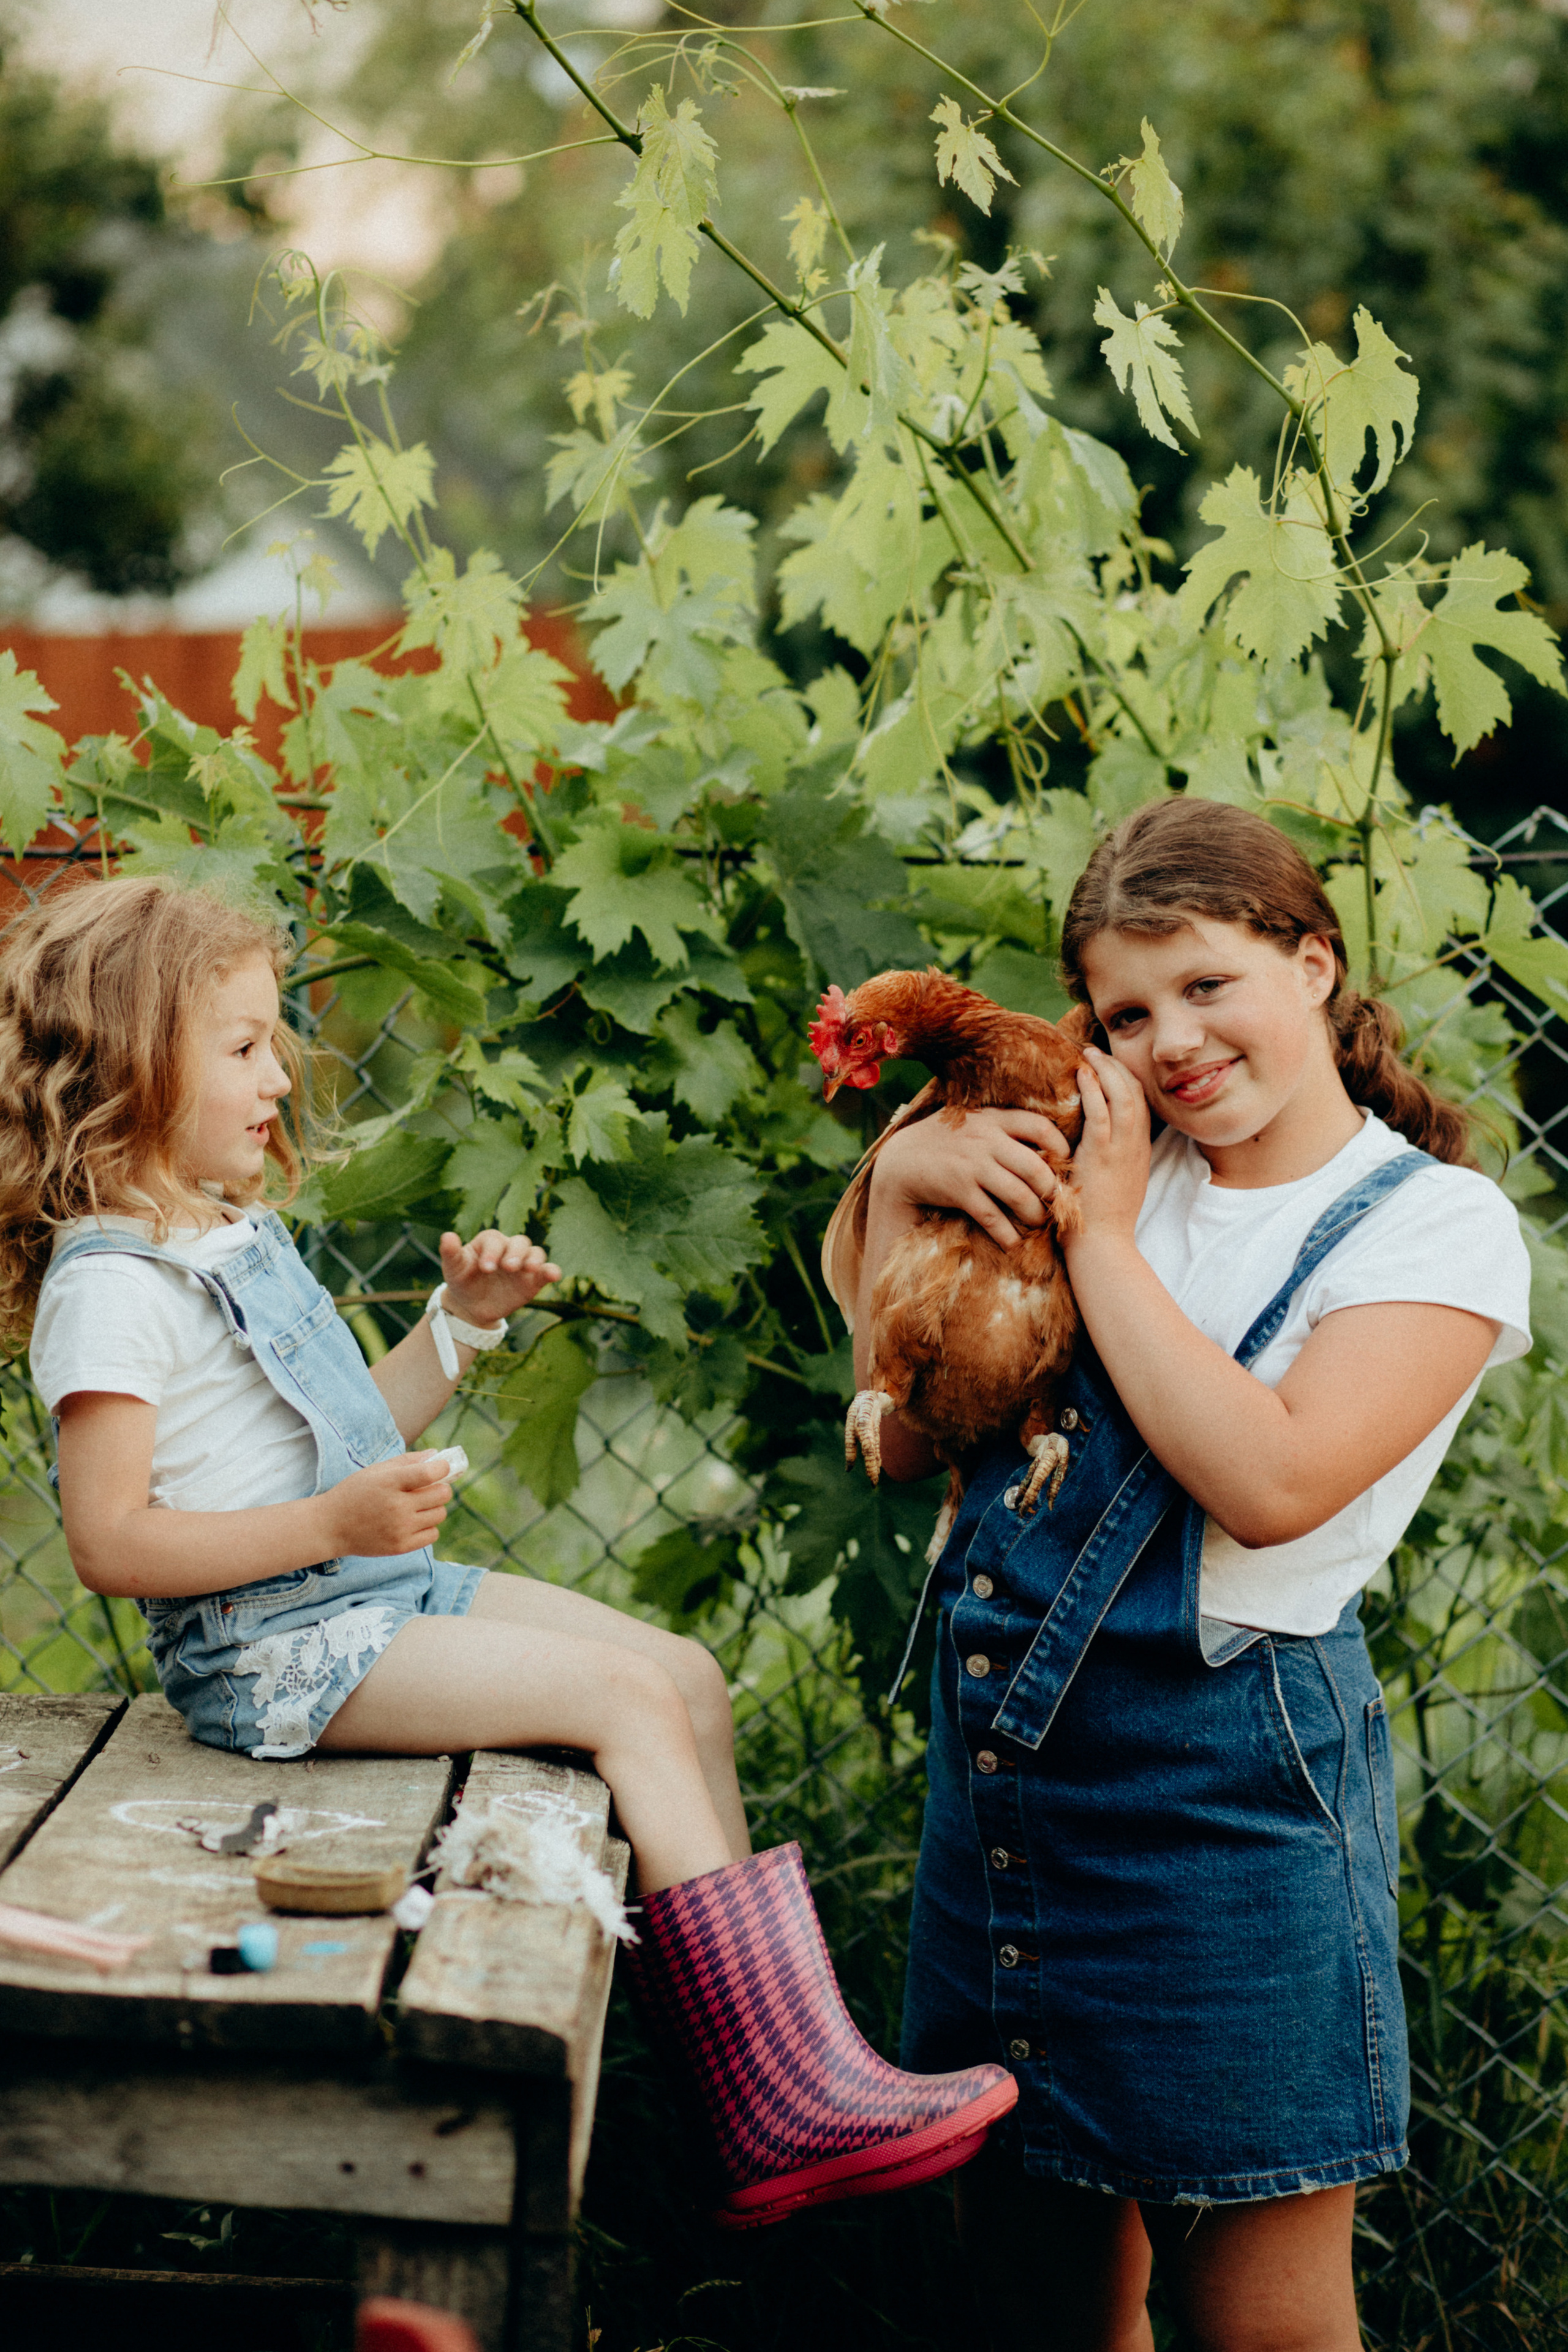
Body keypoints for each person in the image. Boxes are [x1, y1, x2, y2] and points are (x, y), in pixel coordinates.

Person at [0, 872, 1016, 2230]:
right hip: (273, 1651)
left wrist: (457, 1330)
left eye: (276, 1041)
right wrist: (329, 1529)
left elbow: (347, 1438)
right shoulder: (113, 1287)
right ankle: (780, 2102)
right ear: (129, 1060)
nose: (280, 1074)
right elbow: (110, 1542)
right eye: (241, 1046)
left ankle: (786, 2067)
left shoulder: (222, 1237)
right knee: (622, 1703)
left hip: (358, 1594)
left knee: (683, 1675)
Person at [834, 799, 1532, 2352]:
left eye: (1208, 985)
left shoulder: (1433, 1228)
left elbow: (1271, 1481)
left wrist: (1092, 1230)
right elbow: (894, 1441)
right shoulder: (1102, 1163)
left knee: (1258, 2309)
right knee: (1029, 2275)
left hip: (1221, 1808)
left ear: (1312, 962)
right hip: (1004, 1784)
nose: (1170, 1042)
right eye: (1127, 1011)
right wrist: (903, 1187)